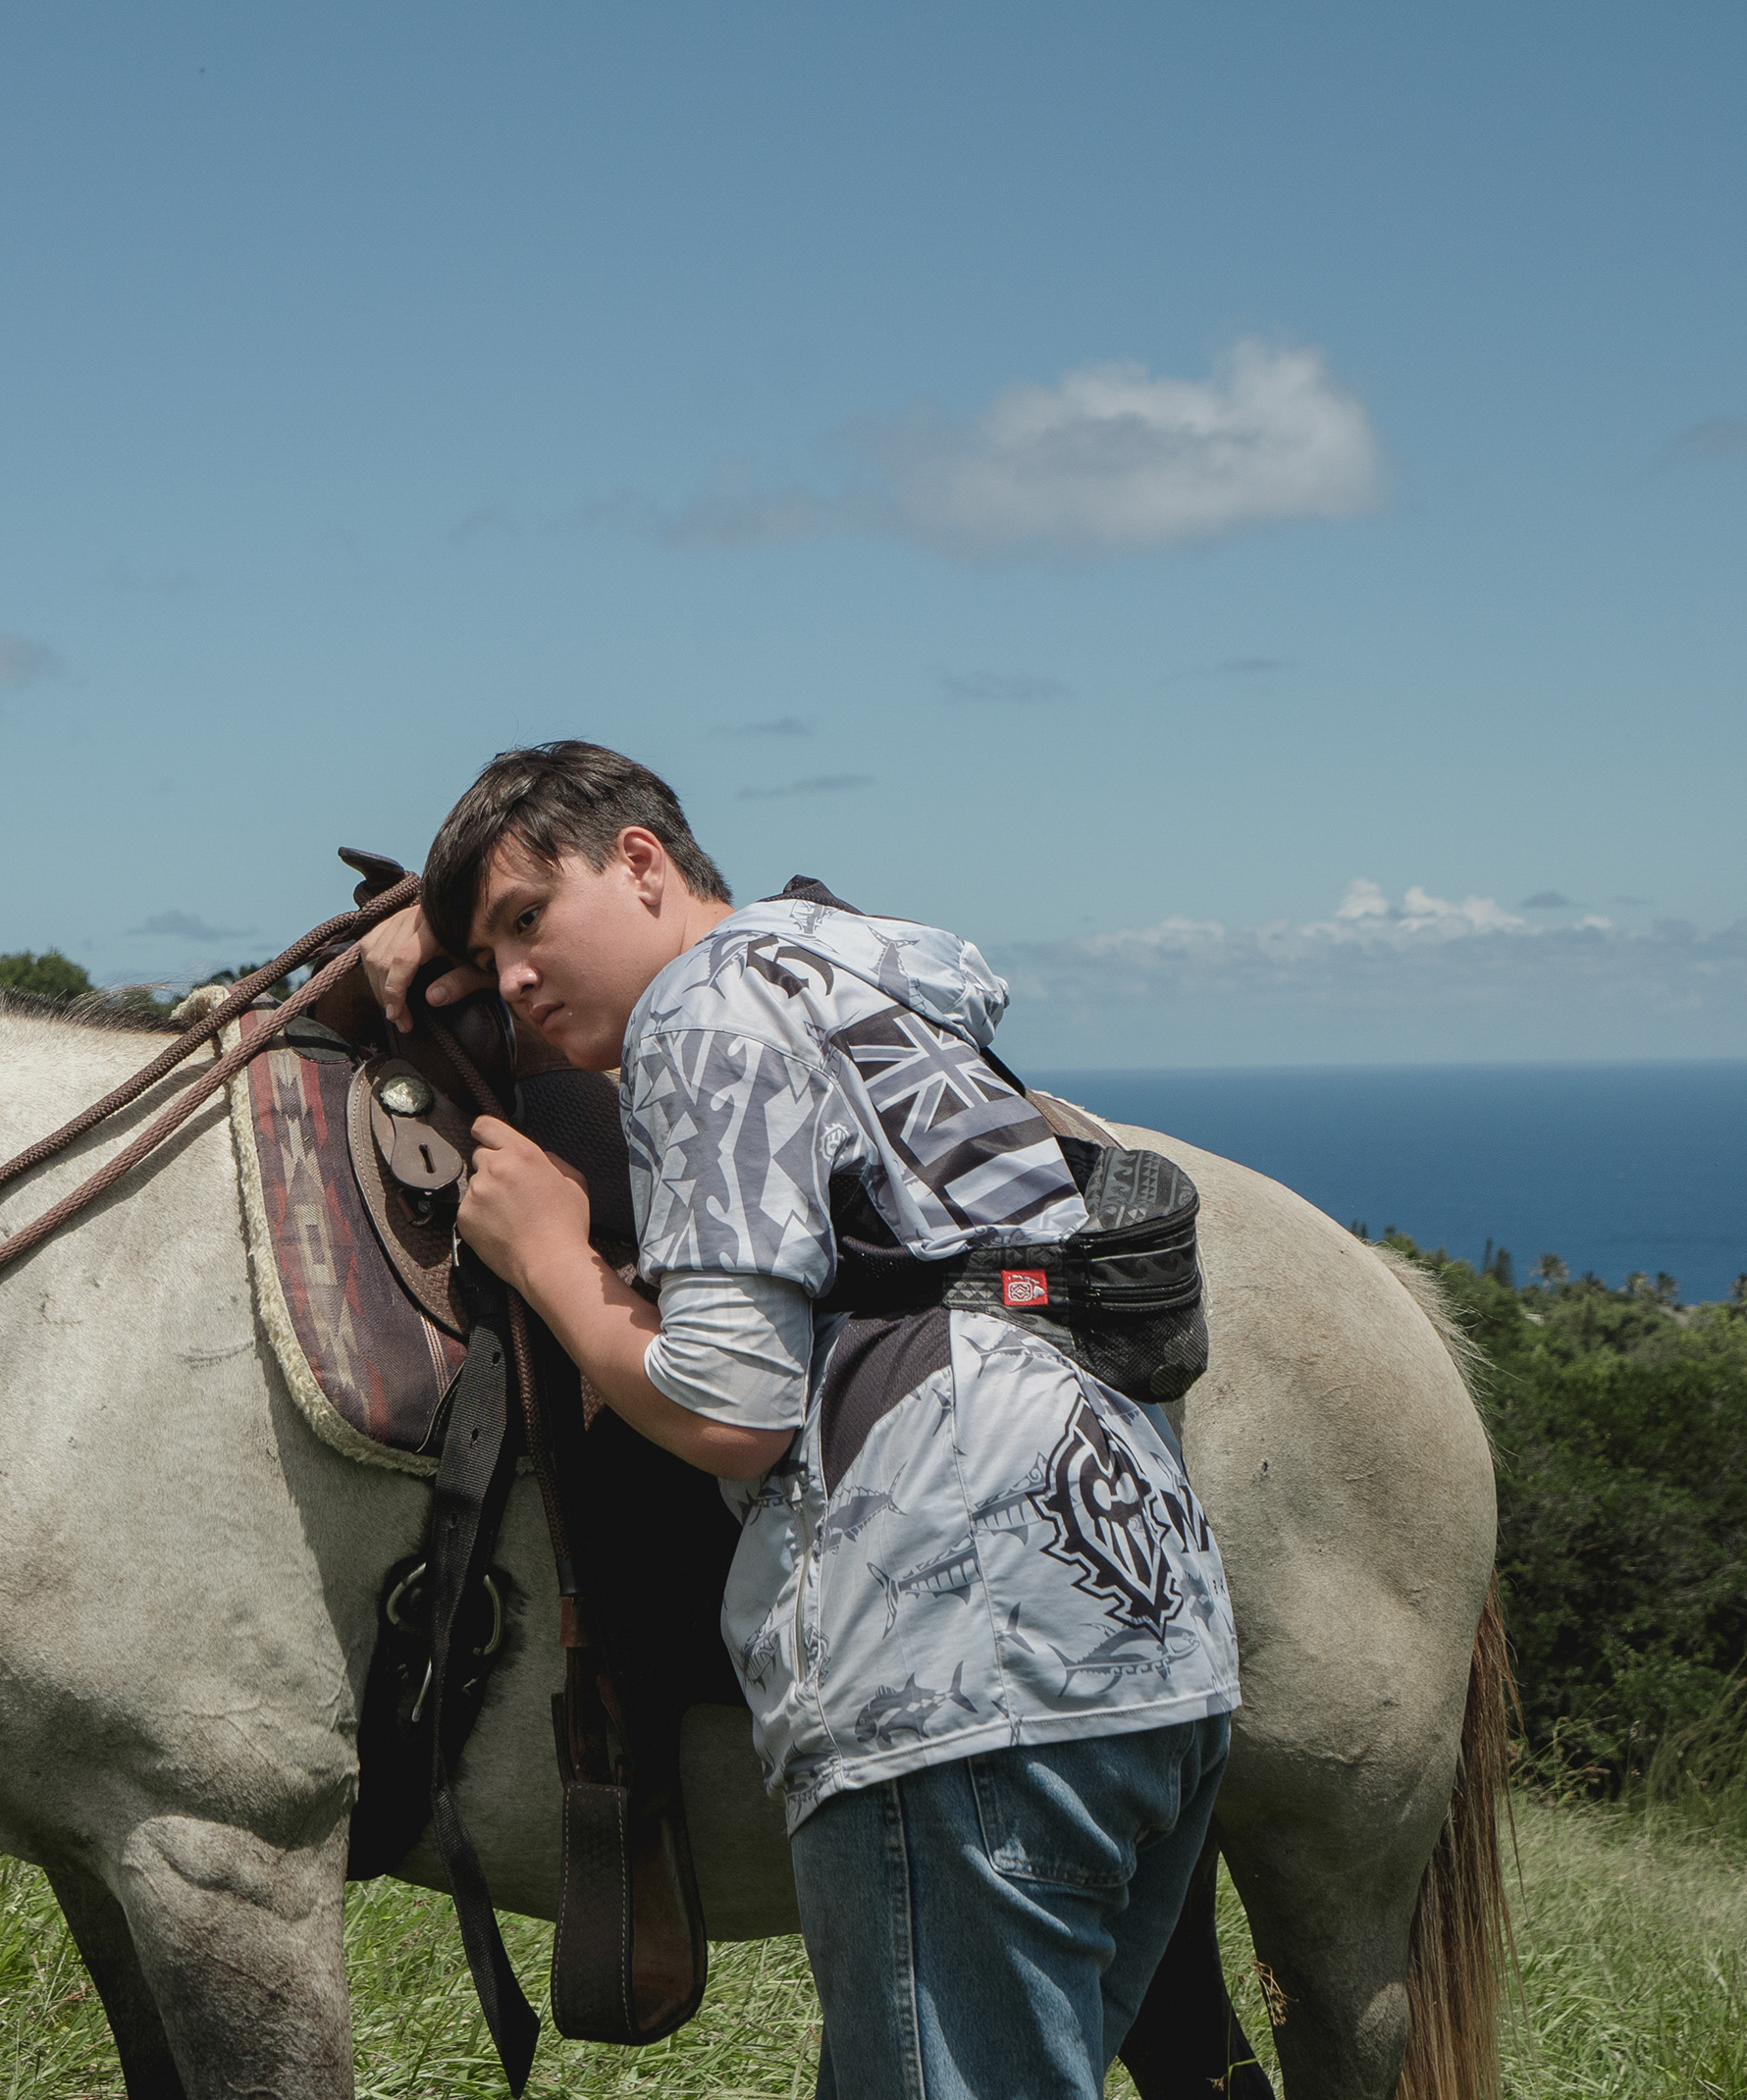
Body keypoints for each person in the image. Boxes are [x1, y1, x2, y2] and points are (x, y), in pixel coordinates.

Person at [362, 741, 1239, 2100]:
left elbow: (733, 1409)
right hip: (1154, 1656)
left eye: (531, 920)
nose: (519, 982)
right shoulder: (858, 983)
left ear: (643, 862)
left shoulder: (702, 1017)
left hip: (957, 1668)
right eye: (488, 959)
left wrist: (548, 1253)